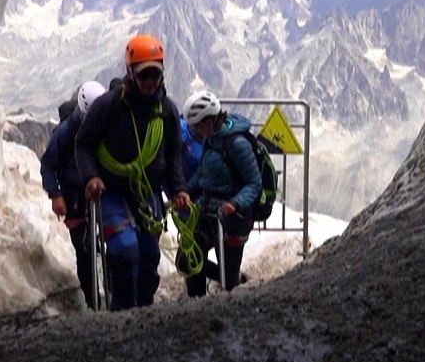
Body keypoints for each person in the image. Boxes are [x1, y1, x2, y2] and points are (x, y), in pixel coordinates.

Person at [75, 34, 190, 310]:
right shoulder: (109, 106)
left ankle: (143, 311)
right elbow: (84, 144)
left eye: (155, 74)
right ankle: (123, 316)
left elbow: (173, 151)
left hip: (146, 191)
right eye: (144, 74)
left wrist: (178, 189)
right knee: (126, 252)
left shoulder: (166, 110)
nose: (151, 82)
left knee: (149, 256)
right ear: (130, 73)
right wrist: (91, 176)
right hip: (112, 191)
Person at [180, 90, 261, 297]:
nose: (195, 131)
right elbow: (202, 173)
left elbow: (254, 182)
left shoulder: (237, 144)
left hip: (232, 218)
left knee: (229, 278)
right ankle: (196, 305)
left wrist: (235, 203)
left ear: (208, 121)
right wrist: (184, 192)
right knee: (190, 259)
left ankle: (230, 308)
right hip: (208, 211)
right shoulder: (212, 139)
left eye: (197, 125)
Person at [39, 80, 107, 309]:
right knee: (84, 250)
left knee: (111, 243)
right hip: (75, 197)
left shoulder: (103, 124)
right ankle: (92, 300)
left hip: (99, 191)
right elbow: (48, 164)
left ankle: (111, 293)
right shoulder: (66, 132)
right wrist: (56, 195)